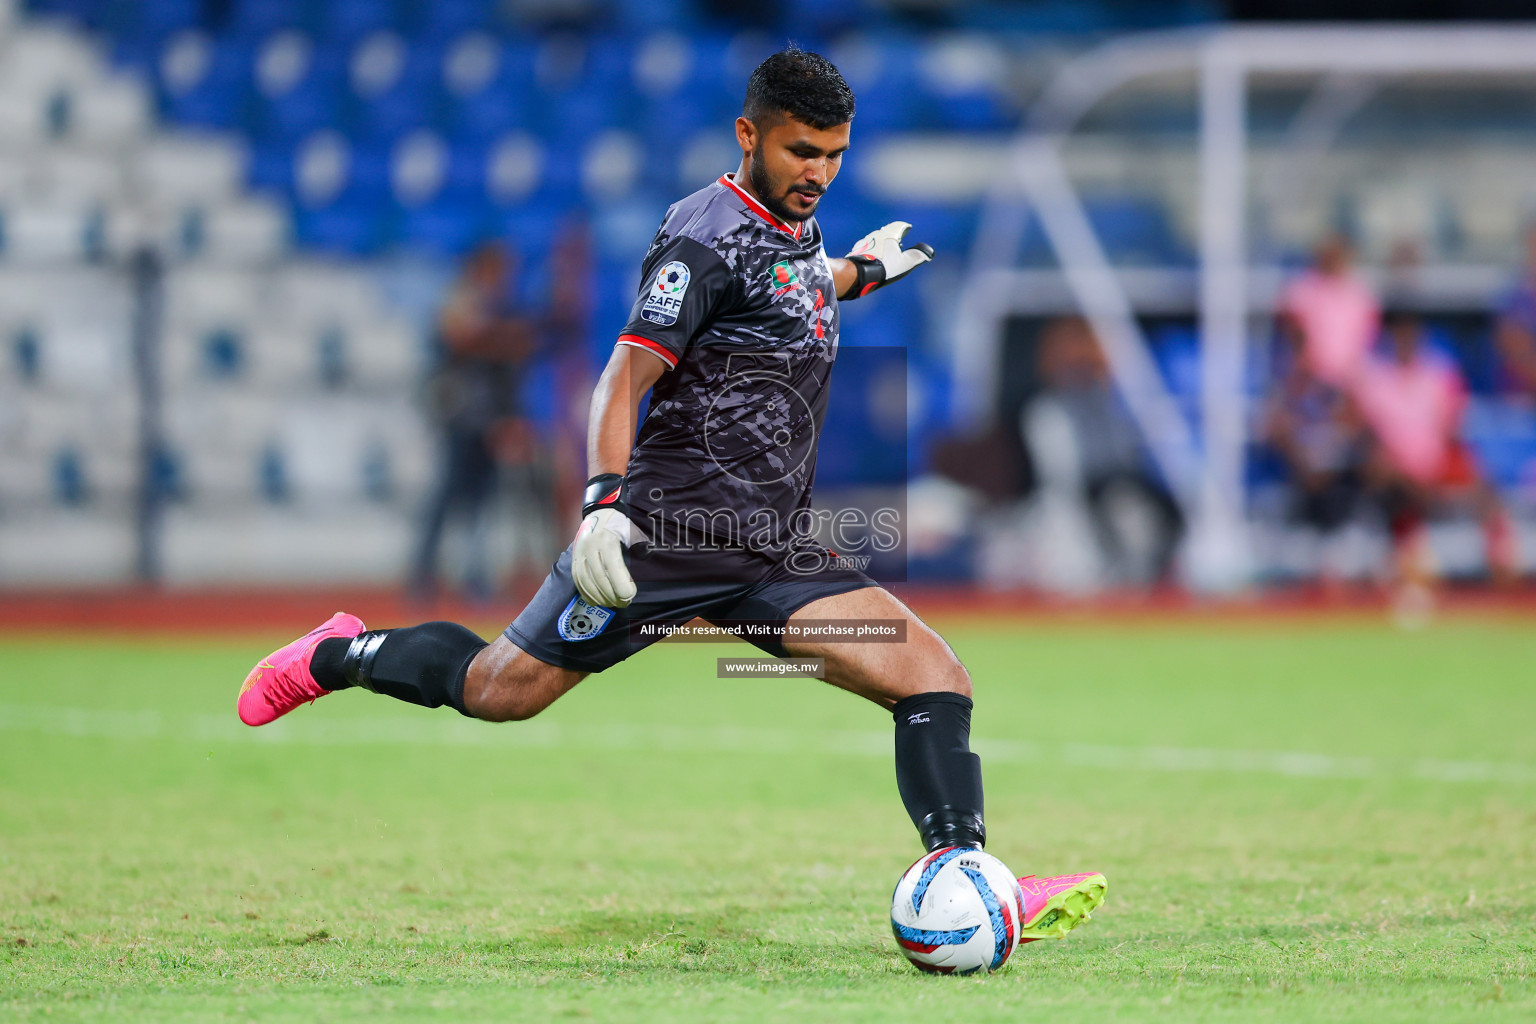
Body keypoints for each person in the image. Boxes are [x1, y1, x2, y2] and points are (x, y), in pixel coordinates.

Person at [237, 50, 1105, 940]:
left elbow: (785, 291)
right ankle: (340, 655)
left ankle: (967, 880)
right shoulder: (704, 233)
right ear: (749, 134)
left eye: (835, 154)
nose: (821, 172)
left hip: (772, 547)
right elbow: (622, 377)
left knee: (933, 677)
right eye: (804, 151)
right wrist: (605, 505)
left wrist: (860, 271)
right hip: (668, 536)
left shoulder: (793, 222)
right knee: (501, 690)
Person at [410, 243, 540, 599]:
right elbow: (461, 339)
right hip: (461, 417)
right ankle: (424, 575)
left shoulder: (500, 307)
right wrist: (501, 337)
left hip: (490, 420)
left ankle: (473, 577)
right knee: (449, 497)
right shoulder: (463, 299)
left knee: (482, 502)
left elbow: (514, 352)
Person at [1355, 309, 1517, 588]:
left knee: (1485, 490)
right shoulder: (1373, 379)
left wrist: (1447, 468)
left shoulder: (1438, 374)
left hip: (1435, 466)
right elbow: (1367, 437)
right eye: (1399, 335)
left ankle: (1502, 570)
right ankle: (1412, 565)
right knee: (1391, 479)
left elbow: (1453, 429)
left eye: (1410, 335)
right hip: (1395, 473)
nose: (1405, 341)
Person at [1277, 233, 1380, 390]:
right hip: (1310, 376)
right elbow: (1294, 333)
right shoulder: (1302, 288)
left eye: (1338, 255)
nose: (1334, 259)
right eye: (1330, 254)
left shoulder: (1360, 292)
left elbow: (1367, 338)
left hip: (1349, 378)